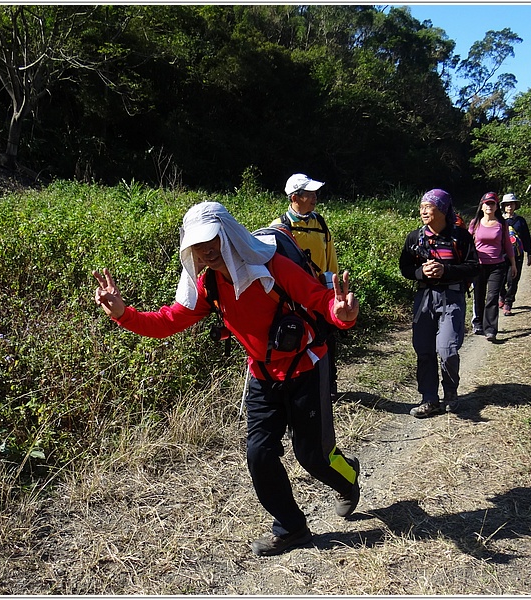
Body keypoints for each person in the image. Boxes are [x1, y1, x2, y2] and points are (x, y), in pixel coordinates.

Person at [92, 201, 361, 557]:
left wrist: (342, 315)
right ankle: (292, 527)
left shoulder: (274, 267)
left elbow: (321, 299)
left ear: (228, 235)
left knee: (312, 457)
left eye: (211, 241)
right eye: (197, 247)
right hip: (263, 376)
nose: (206, 252)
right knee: (259, 454)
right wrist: (124, 314)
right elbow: (167, 321)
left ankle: (348, 478)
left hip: (307, 368)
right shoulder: (210, 285)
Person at [399, 189, 480, 418]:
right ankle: (429, 399)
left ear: (442, 210)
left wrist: (446, 270)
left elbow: (474, 267)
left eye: (429, 206)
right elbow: (405, 268)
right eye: (422, 206)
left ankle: (451, 391)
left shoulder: (461, 238)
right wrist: (420, 272)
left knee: (447, 349)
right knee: (424, 350)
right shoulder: (415, 238)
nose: (423, 211)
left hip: (452, 297)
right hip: (424, 298)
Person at [271, 173, 341, 401]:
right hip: (294, 296)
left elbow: (330, 257)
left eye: (314, 194)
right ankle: (298, 383)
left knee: (326, 338)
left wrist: (334, 287)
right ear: (294, 197)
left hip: (321, 292)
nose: (314, 198)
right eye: (309, 194)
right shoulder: (280, 226)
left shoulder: (319, 223)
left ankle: (329, 384)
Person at [468, 192, 518, 342]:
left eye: (492, 204)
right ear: (482, 206)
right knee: (479, 296)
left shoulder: (502, 224)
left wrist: (513, 264)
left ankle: (490, 330)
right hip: (479, 266)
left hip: (497, 266)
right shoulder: (475, 223)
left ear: (496, 207)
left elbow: (508, 245)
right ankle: (478, 324)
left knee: (492, 297)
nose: (489, 206)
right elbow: (467, 244)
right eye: (487, 203)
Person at [499, 193, 531, 316]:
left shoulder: (520, 221)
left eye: (511, 204)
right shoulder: (499, 220)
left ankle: (508, 302)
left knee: (513, 279)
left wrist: (529, 253)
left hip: (517, 254)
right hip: (501, 255)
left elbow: (526, 237)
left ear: (515, 206)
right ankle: (501, 296)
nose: (509, 207)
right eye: (507, 205)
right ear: (503, 206)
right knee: (500, 279)